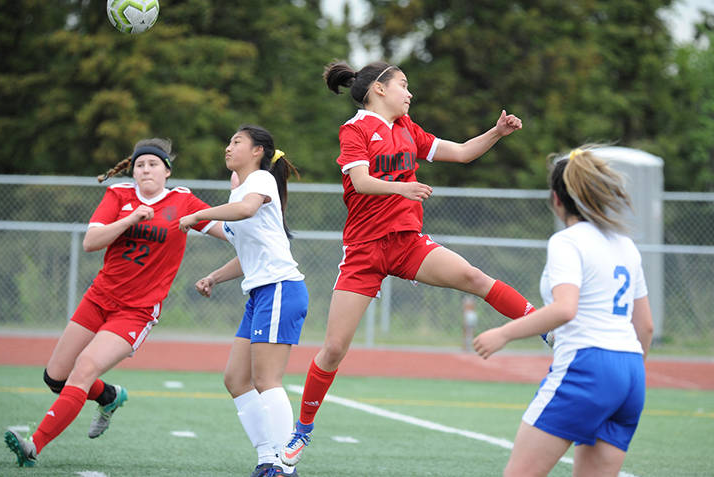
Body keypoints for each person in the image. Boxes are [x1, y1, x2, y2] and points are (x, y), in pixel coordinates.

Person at [280, 60, 537, 467]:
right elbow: (361, 181)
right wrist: (404, 187)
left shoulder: (407, 128)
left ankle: (546, 328)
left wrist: (497, 132)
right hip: (363, 251)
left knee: (473, 275)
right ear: (379, 89)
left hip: (406, 243)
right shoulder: (355, 130)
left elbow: (463, 153)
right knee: (333, 348)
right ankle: (302, 431)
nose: (409, 93)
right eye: (403, 85)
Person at [4, 138, 226, 467]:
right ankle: (108, 396)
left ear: (167, 171)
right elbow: (91, 242)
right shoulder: (119, 195)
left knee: (84, 368)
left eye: (153, 164)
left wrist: (257, 219)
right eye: (140, 164)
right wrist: (129, 220)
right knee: (55, 378)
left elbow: (227, 231)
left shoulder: (183, 202)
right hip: (99, 298)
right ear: (132, 170)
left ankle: (33, 446)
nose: (146, 169)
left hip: (136, 311)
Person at [472, 146, 654, 477]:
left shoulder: (567, 241)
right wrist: (620, 378)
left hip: (588, 367)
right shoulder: (625, 244)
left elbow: (565, 309)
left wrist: (503, 333)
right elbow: (646, 327)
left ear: (557, 199)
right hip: (631, 373)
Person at [179, 125, 307, 477]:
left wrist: (200, 214)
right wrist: (214, 277)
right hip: (260, 292)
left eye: (237, 142)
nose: (228, 147)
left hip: (280, 287)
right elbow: (246, 253)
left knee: (267, 380)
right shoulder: (239, 196)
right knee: (236, 379)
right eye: (229, 141)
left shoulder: (261, 182)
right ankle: (267, 458)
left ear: (258, 152)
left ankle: (285, 465)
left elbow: (247, 210)